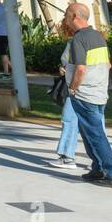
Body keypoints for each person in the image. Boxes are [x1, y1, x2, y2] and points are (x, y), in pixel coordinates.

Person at [64, 1, 112, 190]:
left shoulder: (78, 39)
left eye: (67, 14)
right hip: (99, 93)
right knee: (89, 132)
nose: (65, 18)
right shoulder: (98, 36)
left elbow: (81, 69)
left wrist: (73, 89)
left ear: (75, 16)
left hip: (85, 94)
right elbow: (107, 65)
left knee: (96, 134)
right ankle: (98, 168)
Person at [48, 14, 82, 169]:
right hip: (92, 90)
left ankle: (67, 157)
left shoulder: (74, 42)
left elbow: (76, 66)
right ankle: (102, 162)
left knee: (69, 121)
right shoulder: (95, 40)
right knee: (95, 124)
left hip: (74, 88)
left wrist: (65, 71)